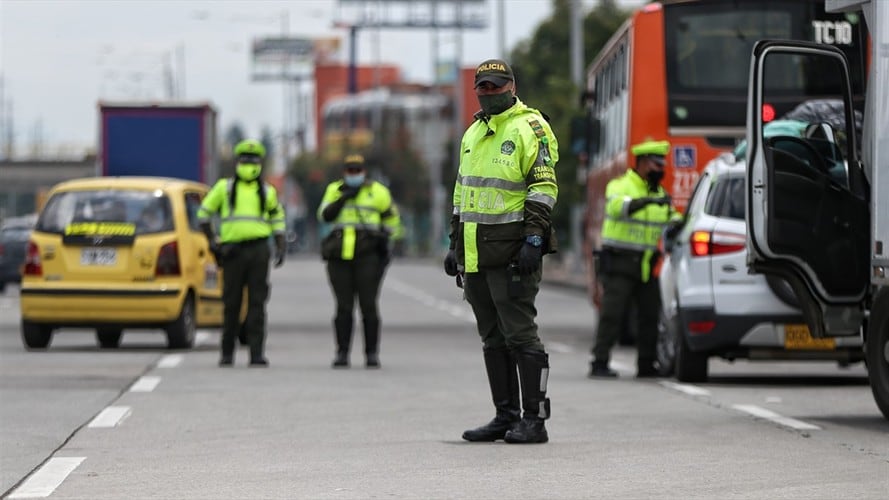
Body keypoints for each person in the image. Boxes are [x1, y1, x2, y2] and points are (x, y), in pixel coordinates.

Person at [444, 59, 558, 444]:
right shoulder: (473, 133)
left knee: (521, 336)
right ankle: (505, 415)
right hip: (476, 254)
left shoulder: (531, 128)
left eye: (497, 85)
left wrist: (533, 240)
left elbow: (543, 188)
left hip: (512, 252)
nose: (490, 92)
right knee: (492, 337)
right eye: (484, 87)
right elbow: (462, 193)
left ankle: (535, 420)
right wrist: (453, 244)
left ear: (512, 86)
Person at [588, 139, 682, 378]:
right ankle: (599, 362)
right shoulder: (621, 185)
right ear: (641, 163)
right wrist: (648, 201)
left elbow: (673, 222)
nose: (660, 170)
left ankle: (646, 365)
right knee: (612, 314)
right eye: (655, 164)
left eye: (662, 166)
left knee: (649, 315)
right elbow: (618, 208)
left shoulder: (660, 194)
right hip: (620, 262)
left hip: (647, 264)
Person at [197, 139, 286, 367]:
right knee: (231, 303)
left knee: (257, 304)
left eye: (253, 161)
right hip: (233, 251)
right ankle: (227, 354)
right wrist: (212, 242)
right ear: (237, 162)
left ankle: (256, 353)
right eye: (245, 160)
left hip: (258, 250)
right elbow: (203, 214)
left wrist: (280, 243)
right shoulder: (224, 188)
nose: (249, 165)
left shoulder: (267, 191)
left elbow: (277, 218)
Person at [317, 154, 401, 369]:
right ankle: (342, 353)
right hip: (339, 257)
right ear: (344, 172)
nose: (353, 174)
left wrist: (386, 240)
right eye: (350, 170)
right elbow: (324, 215)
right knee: (343, 307)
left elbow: (392, 221)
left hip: (368, 256)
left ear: (364, 171)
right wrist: (344, 197)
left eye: (357, 170)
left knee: (369, 306)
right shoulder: (334, 190)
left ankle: (371, 353)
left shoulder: (378, 192)